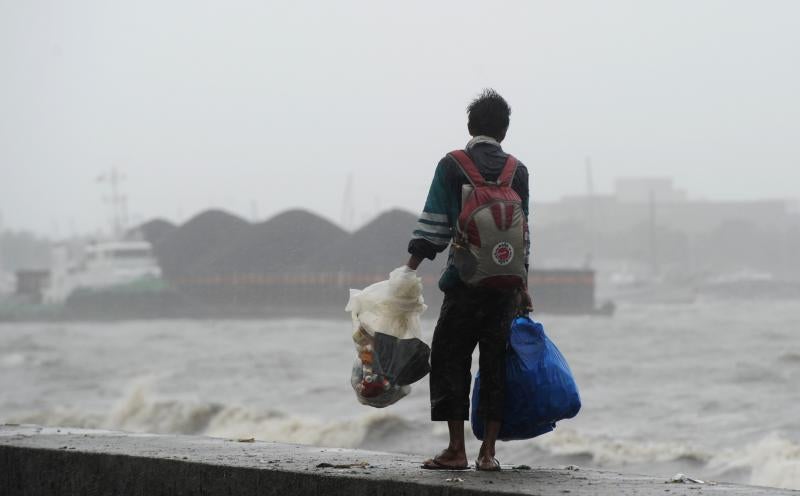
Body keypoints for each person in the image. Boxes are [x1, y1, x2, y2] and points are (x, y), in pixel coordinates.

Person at [405, 89, 532, 471]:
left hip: (463, 284)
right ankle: (488, 453)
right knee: (496, 364)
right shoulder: (517, 171)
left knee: (449, 359)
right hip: (505, 287)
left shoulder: (453, 165)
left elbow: (434, 226)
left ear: (470, 125)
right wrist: (523, 287)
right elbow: (523, 235)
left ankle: (456, 450)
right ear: (504, 131)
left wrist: (407, 270)